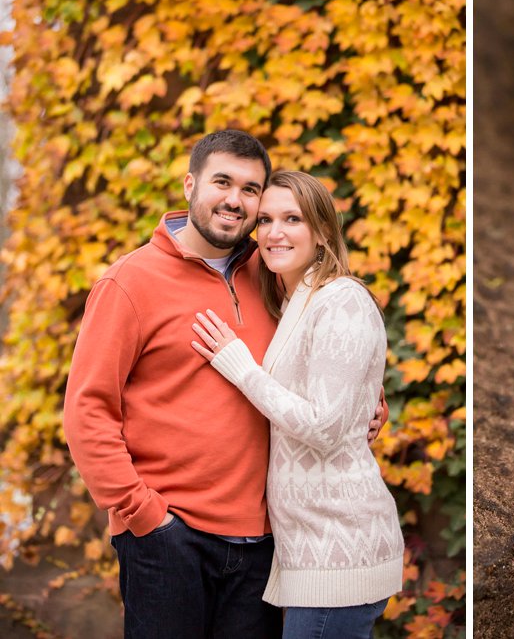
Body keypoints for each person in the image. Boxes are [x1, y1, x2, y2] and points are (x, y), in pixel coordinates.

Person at [63, 131, 386, 638]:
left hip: (261, 541)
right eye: (222, 182)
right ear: (191, 184)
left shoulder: (272, 270)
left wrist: (365, 401)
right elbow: (87, 411)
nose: (235, 199)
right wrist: (142, 514)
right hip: (170, 535)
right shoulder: (129, 283)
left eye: (250, 188)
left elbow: (327, 344)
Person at [190, 171, 404, 639]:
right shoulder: (294, 304)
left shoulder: (340, 300)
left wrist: (241, 367)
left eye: (293, 219)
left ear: (323, 232)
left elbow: (324, 428)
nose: (274, 232)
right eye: (265, 220)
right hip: (309, 551)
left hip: (341, 549)